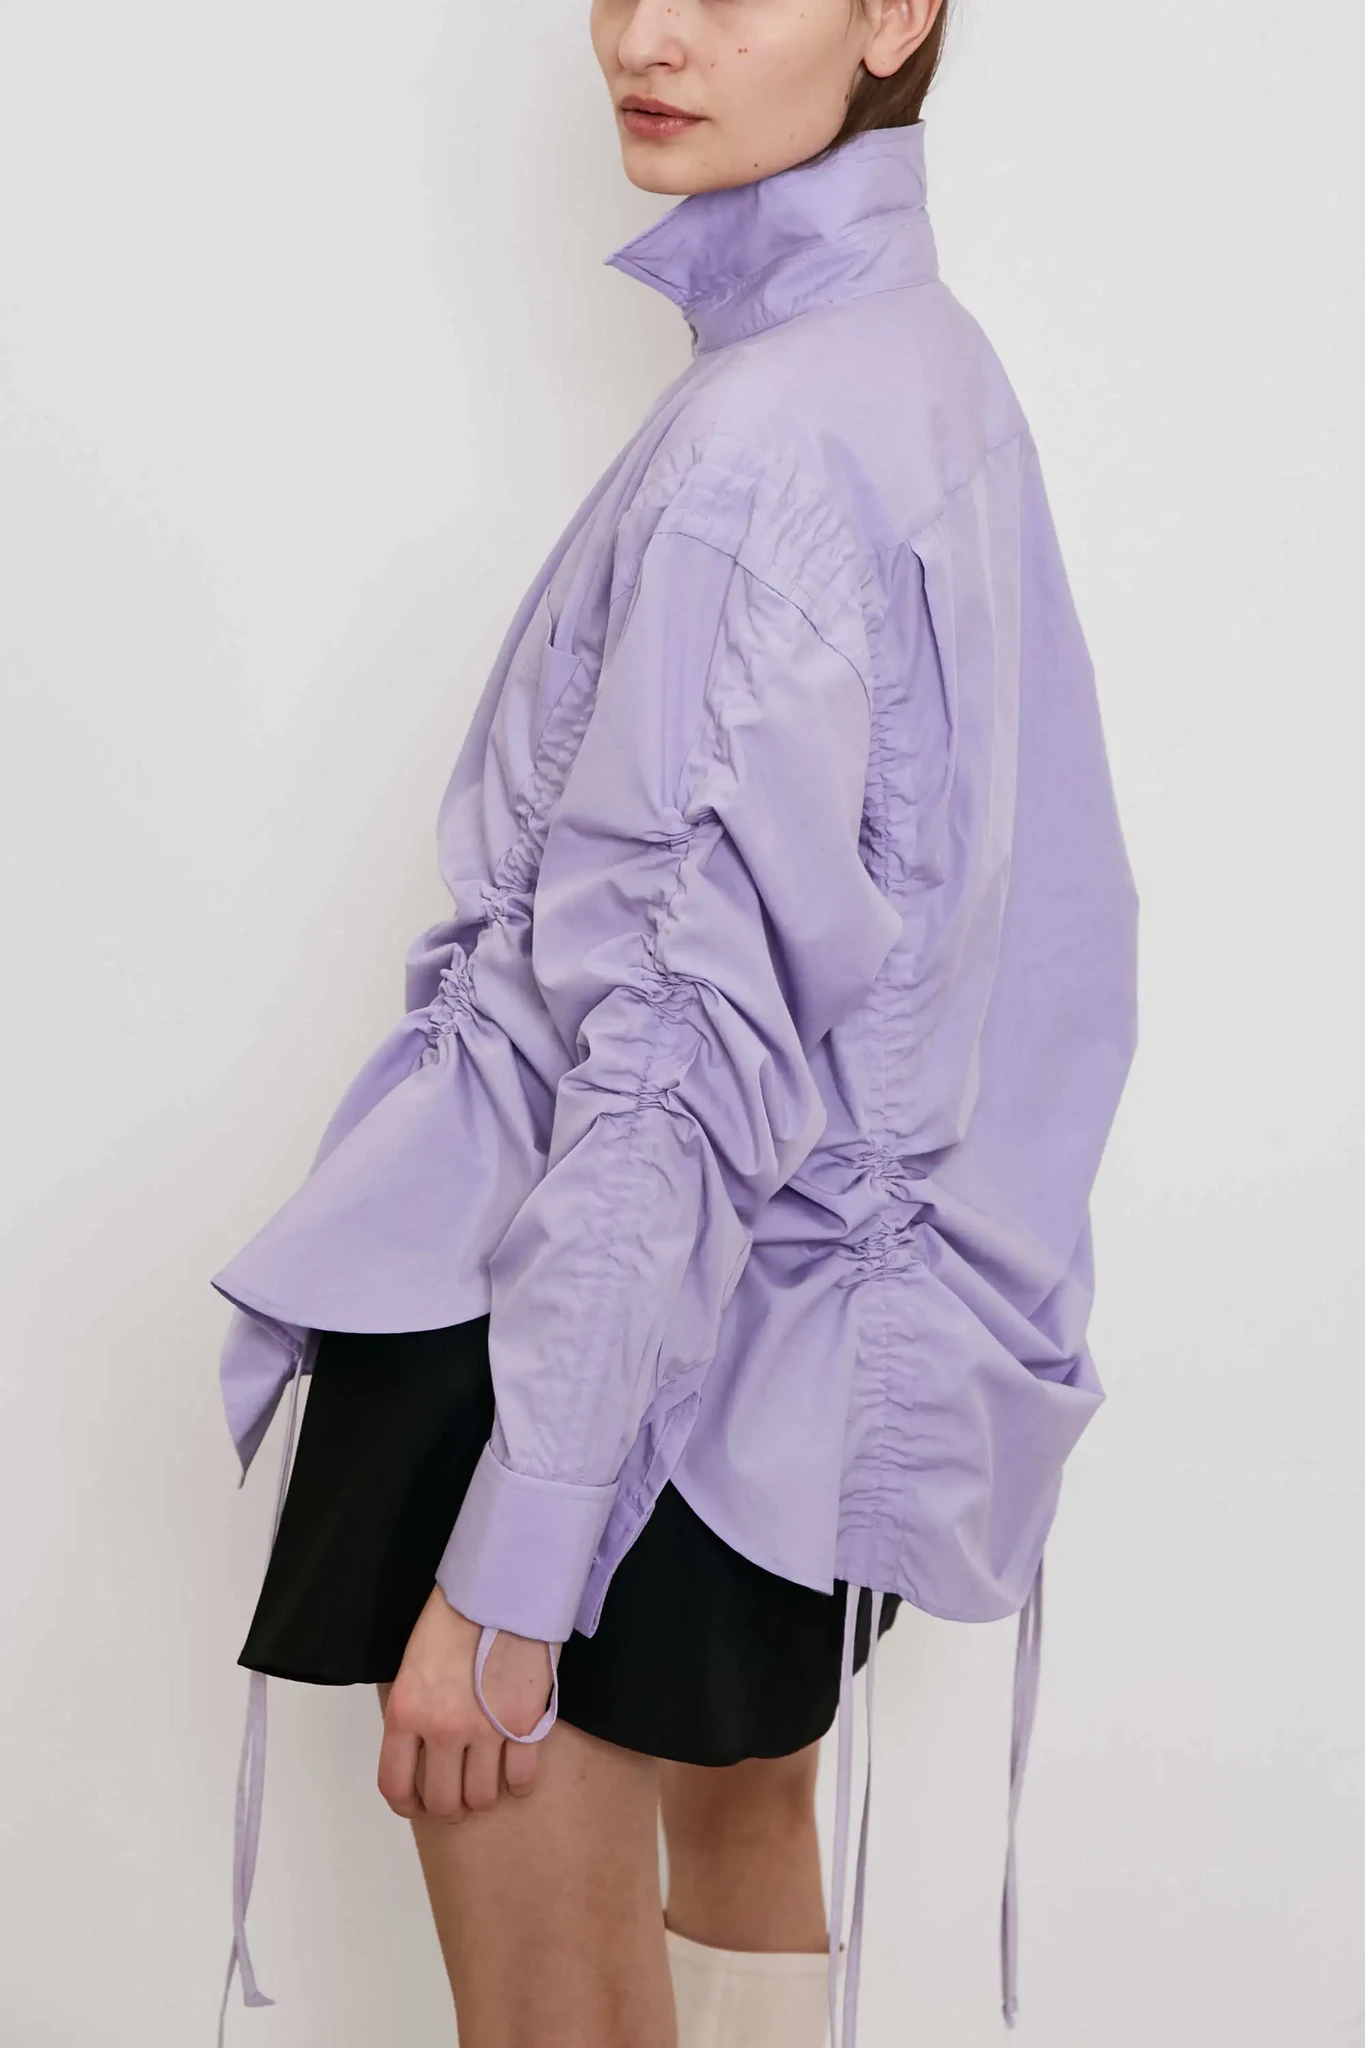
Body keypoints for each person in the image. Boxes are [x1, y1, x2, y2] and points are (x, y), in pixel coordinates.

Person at [211, 3, 1139, 2045]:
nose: (646, 33)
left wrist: (523, 1544)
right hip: (785, 1370)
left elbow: (665, 1052)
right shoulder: (924, 373)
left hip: (577, 1353)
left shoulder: (762, 447)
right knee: (742, 1879)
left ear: (893, 11)